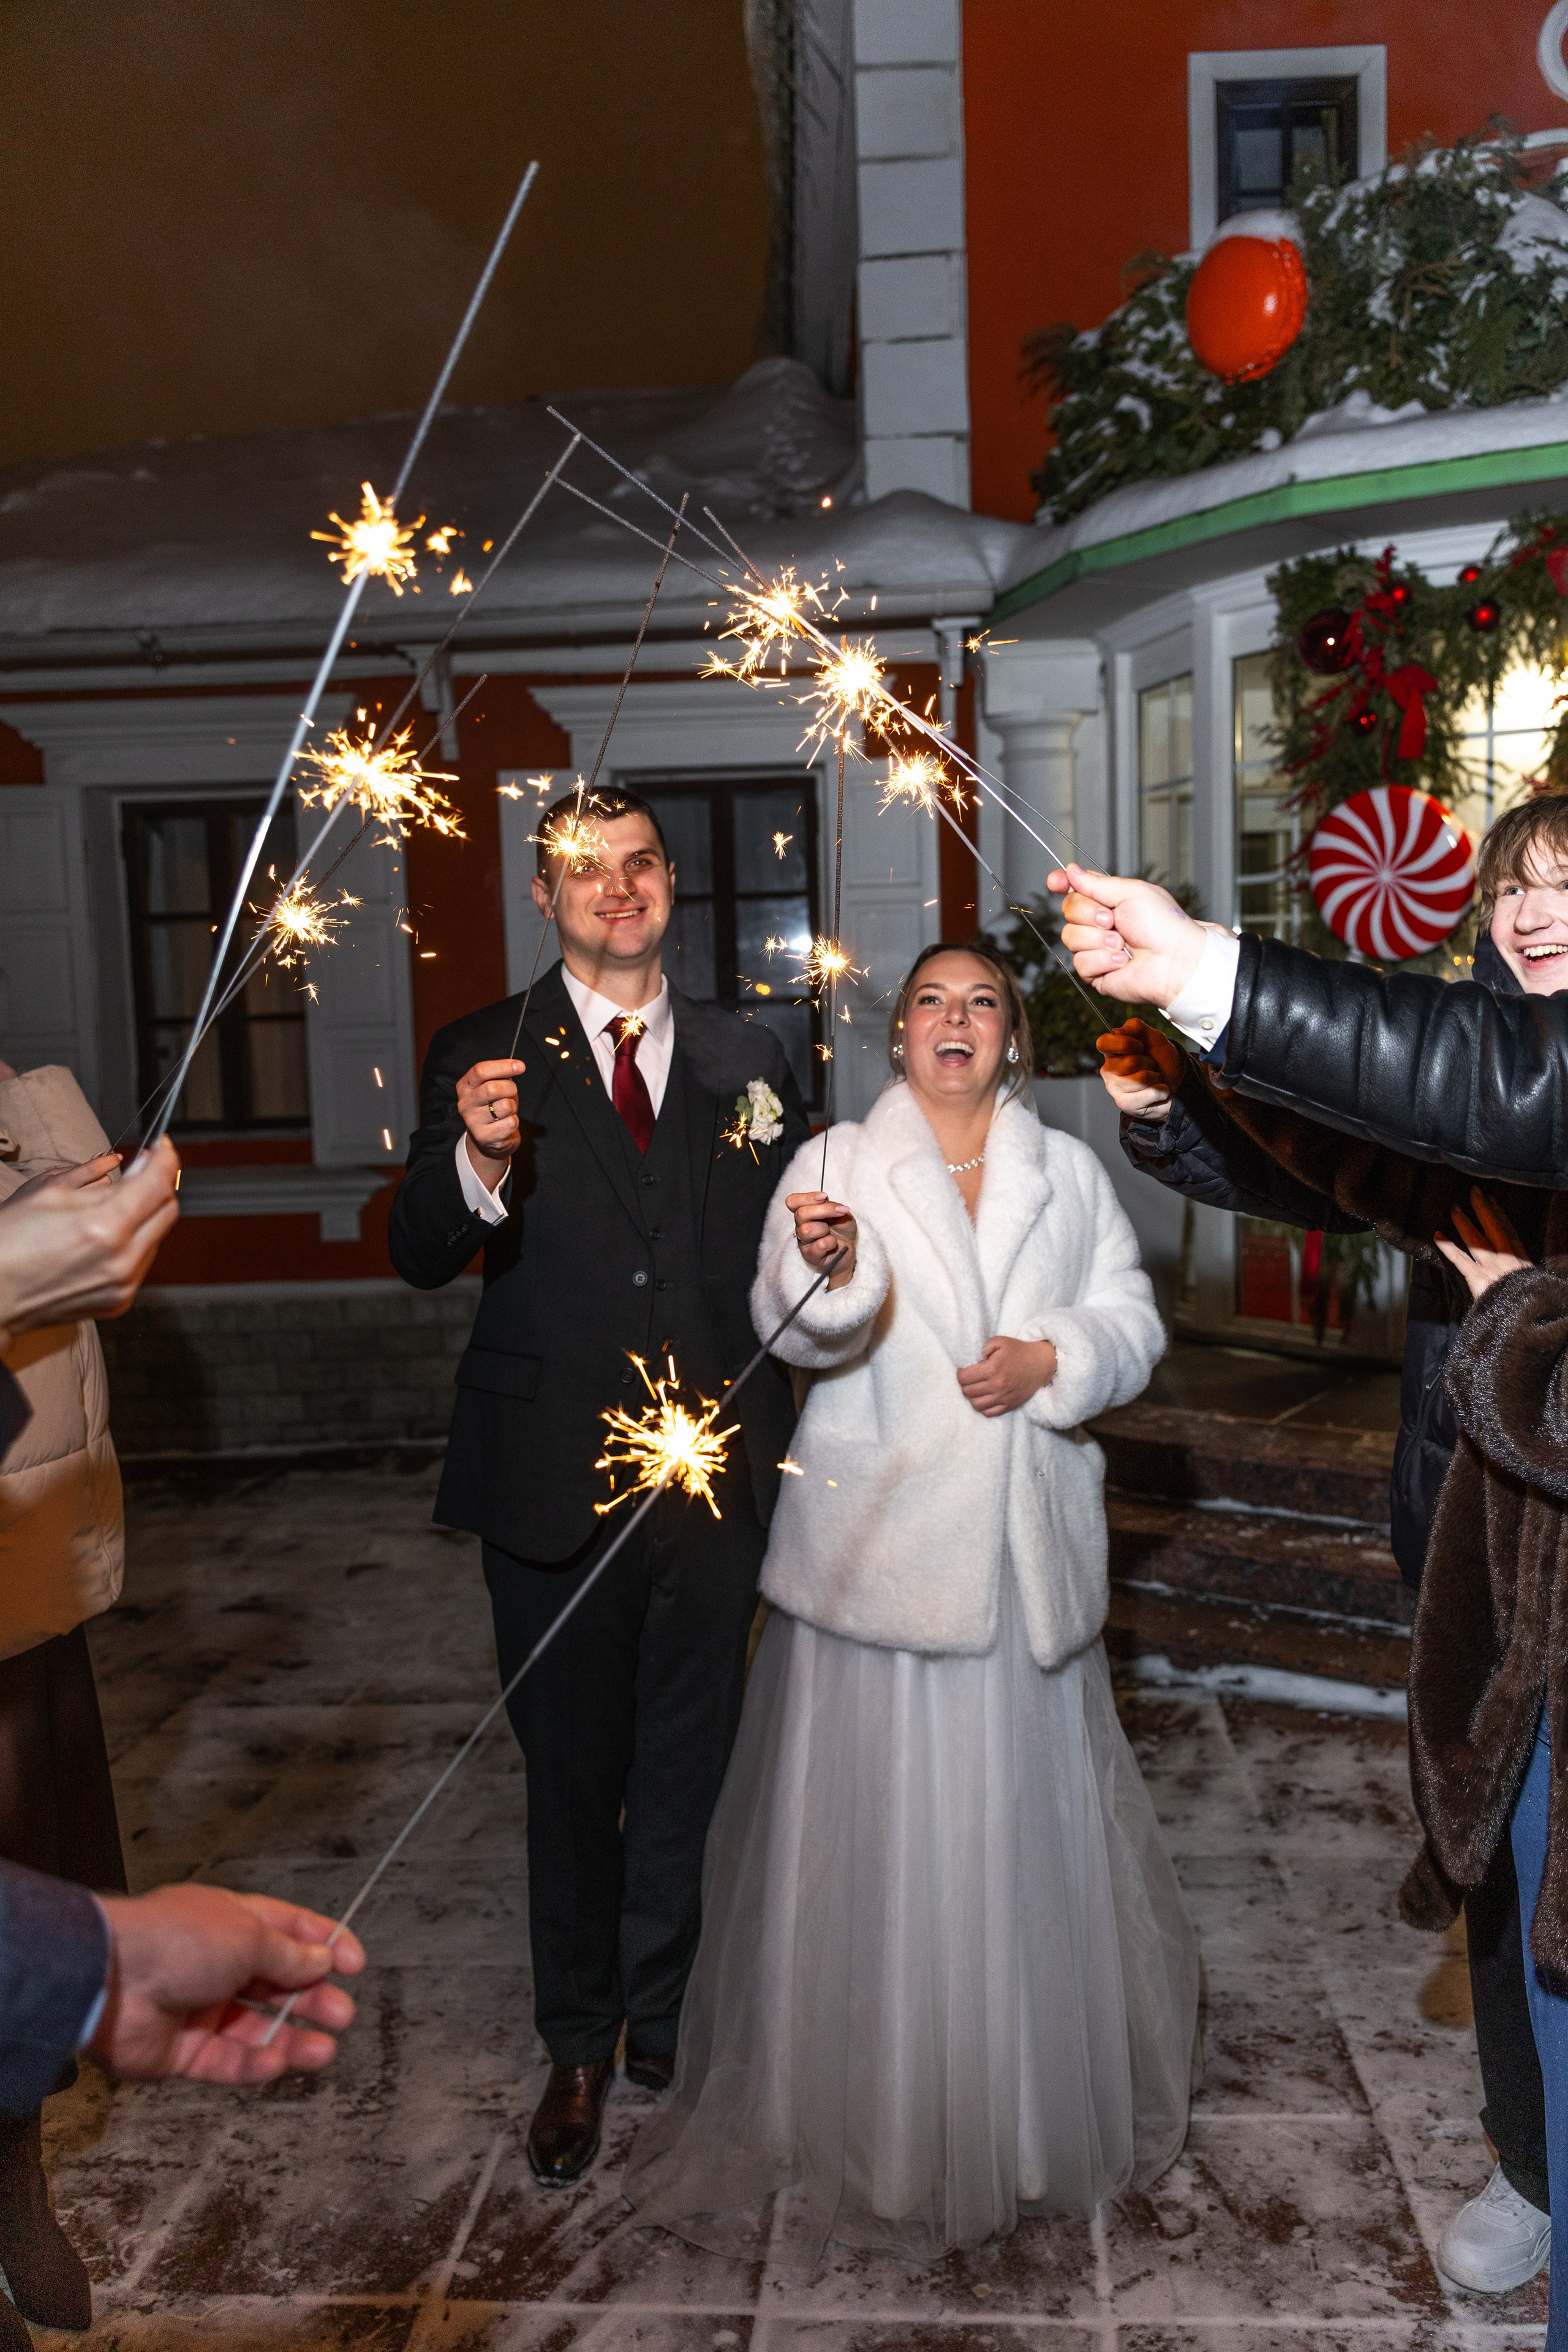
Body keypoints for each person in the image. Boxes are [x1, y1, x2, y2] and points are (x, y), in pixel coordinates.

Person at [623, 943, 1199, 2267]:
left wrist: (1054, 1356)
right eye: (932, 1001)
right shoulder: (832, 1162)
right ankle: (874, 2125)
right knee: (877, 1855)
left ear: (1012, 1039)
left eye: (981, 1003)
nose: (956, 1020)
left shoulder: (1063, 1172)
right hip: (878, 1565)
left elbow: (1131, 1320)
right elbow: (797, 1325)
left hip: (1019, 1562)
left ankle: (1023, 2118)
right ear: (899, 1037)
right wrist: (830, 1273)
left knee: (1014, 1848)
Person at [1095, 794, 1568, 2294]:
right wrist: (1177, 1116)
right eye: (1510, 887)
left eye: (1565, 885)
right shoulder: (1472, 1098)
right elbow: (1330, 1162)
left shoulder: (1515, 1083)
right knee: (1495, 1865)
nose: (1527, 911)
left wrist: (1205, 973)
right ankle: (1525, 2157)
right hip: (1470, 1555)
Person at [388, 785, 811, 2186]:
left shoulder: (761, 1052)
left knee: (693, 1766)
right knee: (571, 1778)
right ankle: (575, 2040)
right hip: (546, 1473)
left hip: (715, 1470)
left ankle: (666, 2019)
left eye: (638, 867)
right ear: (544, 895)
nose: (616, 891)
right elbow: (416, 1250)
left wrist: (835, 1254)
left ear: (670, 885)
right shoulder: (481, 1050)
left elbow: (787, 1259)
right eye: (586, 873)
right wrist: (479, 1157)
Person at [1395, 1219, 1568, 2351]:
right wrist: (1201, 1081)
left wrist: (1525, 1335)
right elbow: (1356, 1135)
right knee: (1509, 1855)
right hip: (1504, 1558)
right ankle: (1532, 2160)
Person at [0, 1062, 136, 2333]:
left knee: (22, 1905)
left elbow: (111, 1241)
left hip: (15, 1571)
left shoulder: (14, 1091)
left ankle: (17, 2190)